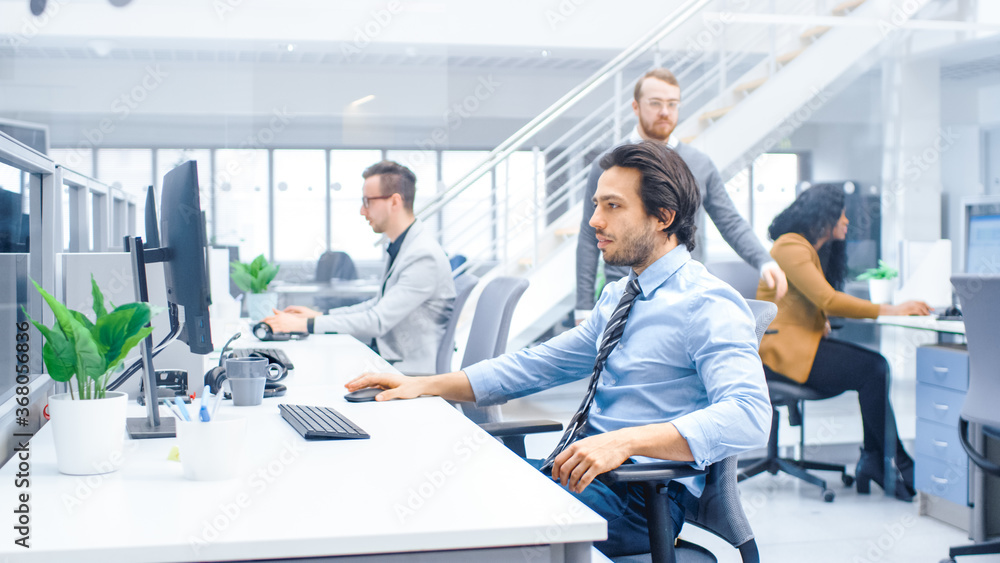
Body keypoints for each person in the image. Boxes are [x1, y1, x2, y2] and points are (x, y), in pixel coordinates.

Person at [346, 142, 771, 558]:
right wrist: (423, 384)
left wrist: (624, 442)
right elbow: (539, 364)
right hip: (584, 476)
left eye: (612, 206)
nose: (594, 221)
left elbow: (750, 414)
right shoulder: (623, 294)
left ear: (663, 216)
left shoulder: (707, 303)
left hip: (639, 500)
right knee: (436, 484)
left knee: (462, 511)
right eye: (595, 205)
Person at [756, 184, 931, 501]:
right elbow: (828, 298)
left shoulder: (801, 247)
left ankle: (877, 460)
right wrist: (891, 309)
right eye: (842, 213)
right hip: (780, 356)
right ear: (823, 217)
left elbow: (808, 301)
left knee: (874, 369)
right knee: (873, 368)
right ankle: (891, 459)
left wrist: (818, 318)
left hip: (797, 348)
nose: (847, 220)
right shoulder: (790, 247)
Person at [576, 68, 787, 323]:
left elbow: (729, 221)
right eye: (655, 103)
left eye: (672, 104)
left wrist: (764, 261)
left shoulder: (699, 164)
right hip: (622, 296)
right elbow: (590, 238)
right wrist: (583, 307)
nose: (665, 111)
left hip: (685, 297)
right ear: (635, 106)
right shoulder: (607, 165)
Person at [263, 160, 456, 374]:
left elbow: (377, 321)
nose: (362, 211)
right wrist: (320, 315)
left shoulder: (423, 255)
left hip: (410, 373)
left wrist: (304, 325)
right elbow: (376, 306)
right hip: (391, 362)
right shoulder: (404, 247)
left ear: (394, 202)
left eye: (368, 201)